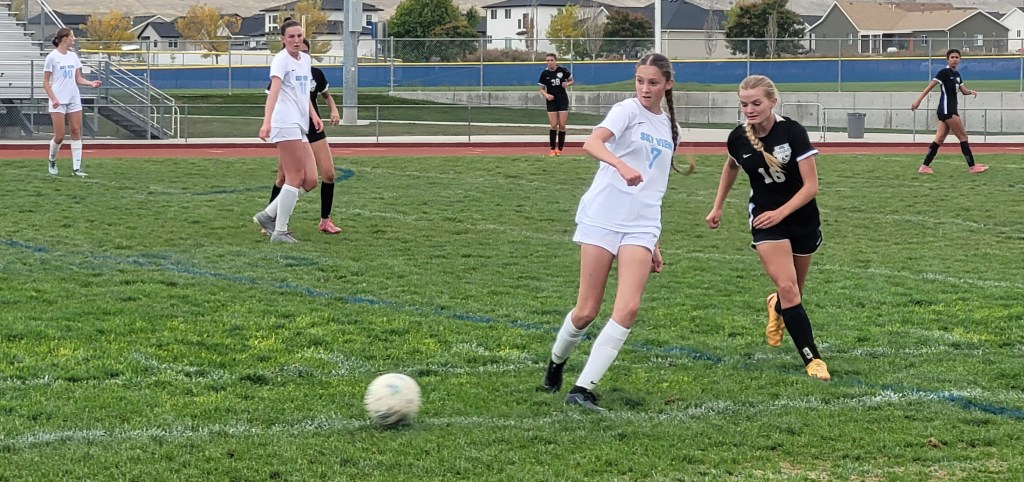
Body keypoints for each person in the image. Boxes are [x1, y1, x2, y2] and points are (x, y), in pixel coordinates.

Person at [540, 53, 682, 413]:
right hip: (603, 216)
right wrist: (620, 165)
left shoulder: (671, 127)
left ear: (668, 84)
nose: (645, 88)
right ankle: (556, 362)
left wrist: (654, 241)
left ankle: (581, 390)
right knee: (586, 311)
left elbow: (655, 188)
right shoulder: (626, 110)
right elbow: (592, 143)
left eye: (653, 82)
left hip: (641, 225)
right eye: (639, 80)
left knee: (629, 308)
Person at [705, 75, 830, 382]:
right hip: (765, 220)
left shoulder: (792, 132)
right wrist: (717, 206)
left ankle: (776, 305)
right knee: (788, 287)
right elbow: (731, 165)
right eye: (744, 104)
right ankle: (813, 359)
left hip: (801, 218)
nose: (749, 109)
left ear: (773, 102)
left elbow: (811, 186)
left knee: (793, 292)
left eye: (756, 103)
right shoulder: (738, 138)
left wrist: (782, 213)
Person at [252, 19, 323, 243]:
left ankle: (267, 215)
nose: (296, 40)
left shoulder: (306, 60)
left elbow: (303, 92)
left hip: (300, 124)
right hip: (285, 122)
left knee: (311, 180)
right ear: (283, 39)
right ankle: (280, 231)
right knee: (295, 177)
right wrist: (266, 122)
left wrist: (313, 114)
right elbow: (273, 92)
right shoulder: (281, 60)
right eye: (291, 36)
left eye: (299, 36)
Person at [264, 38, 342, 235]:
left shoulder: (314, 72)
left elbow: (323, 96)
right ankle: (272, 219)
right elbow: (274, 96)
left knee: (326, 175)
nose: (302, 54)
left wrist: (331, 110)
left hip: (311, 127)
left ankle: (325, 220)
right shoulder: (283, 68)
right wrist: (268, 122)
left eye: (306, 51)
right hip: (290, 128)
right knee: (285, 177)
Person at [910, 49, 988, 174]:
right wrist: (918, 101)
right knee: (963, 136)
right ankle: (972, 167)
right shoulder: (944, 73)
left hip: (949, 110)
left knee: (939, 139)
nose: (954, 59)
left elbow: (963, 90)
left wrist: (970, 92)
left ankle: (924, 167)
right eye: (952, 57)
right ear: (948, 60)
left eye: (957, 57)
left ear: (960, 60)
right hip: (947, 110)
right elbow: (930, 87)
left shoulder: (957, 75)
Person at [43, 27, 101, 177]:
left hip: (73, 99)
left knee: (76, 130)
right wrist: (54, 99)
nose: (74, 39)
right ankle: (52, 160)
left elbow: (78, 79)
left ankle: (76, 168)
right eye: (72, 36)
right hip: (58, 100)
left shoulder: (73, 56)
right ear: (64, 38)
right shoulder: (52, 57)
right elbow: (46, 81)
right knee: (60, 136)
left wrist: (91, 83)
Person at [538, 53, 573, 156]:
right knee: (553, 125)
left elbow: (571, 80)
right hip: (551, 102)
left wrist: (567, 84)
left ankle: (560, 149)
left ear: (555, 61)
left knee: (562, 125)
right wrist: (546, 95)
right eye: (548, 61)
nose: (550, 62)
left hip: (562, 100)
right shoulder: (544, 74)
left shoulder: (563, 70)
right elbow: (541, 89)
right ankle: (552, 149)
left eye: (551, 60)